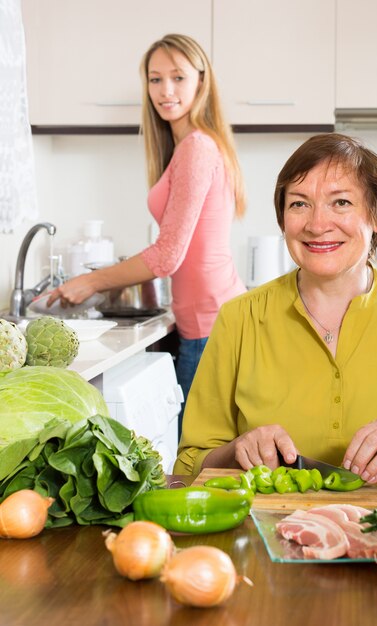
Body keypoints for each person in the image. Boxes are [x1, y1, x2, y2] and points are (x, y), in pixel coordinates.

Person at [174, 133, 377, 482]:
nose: (317, 224)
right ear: (282, 219)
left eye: (340, 202)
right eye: (299, 204)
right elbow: (190, 462)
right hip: (267, 530)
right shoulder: (239, 318)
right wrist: (236, 451)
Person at [48, 34, 246, 432]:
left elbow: (166, 255)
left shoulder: (197, 147)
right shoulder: (191, 146)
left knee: (197, 460)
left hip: (211, 326)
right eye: (155, 79)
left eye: (177, 77)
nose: (165, 90)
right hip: (207, 320)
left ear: (201, 81)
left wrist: (91, 282)